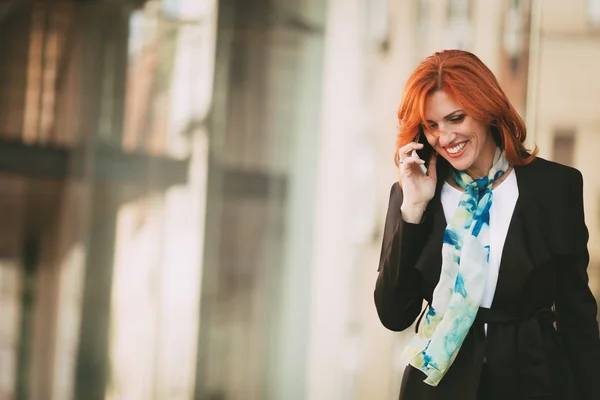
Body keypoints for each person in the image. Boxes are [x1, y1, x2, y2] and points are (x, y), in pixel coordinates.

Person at [374, 49, 600, 400]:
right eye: (432, 125)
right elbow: (393, 313)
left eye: (456, 118)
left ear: (486, 109)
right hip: (437, 390)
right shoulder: (413, 194)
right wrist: (414, 209)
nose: (445, 137)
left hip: (534, 382)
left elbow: (577, 316)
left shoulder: (555, 188)